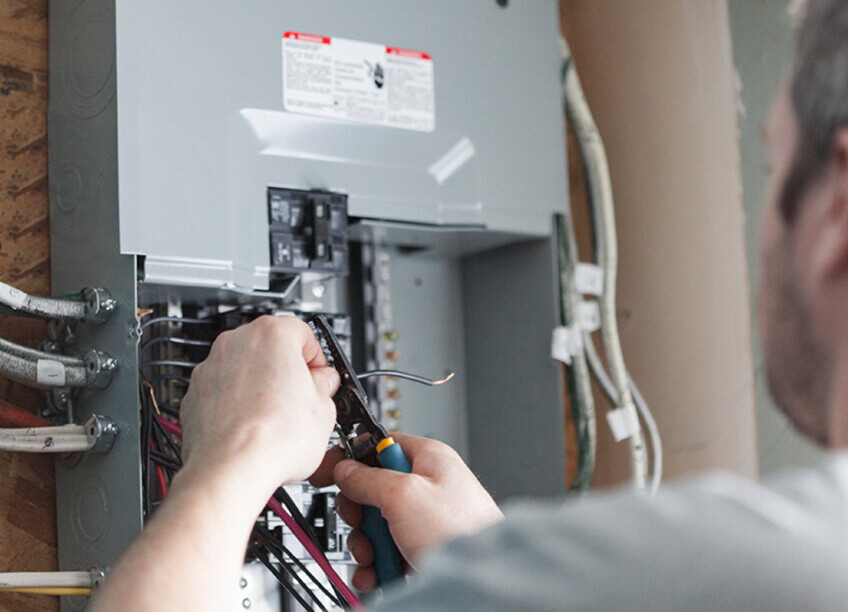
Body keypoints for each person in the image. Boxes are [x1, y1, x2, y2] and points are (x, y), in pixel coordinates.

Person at [90, 0, 848, 609]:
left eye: (774, 160)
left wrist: (233, 457)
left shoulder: (735, 568)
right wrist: (487, 567)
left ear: (835, 212)